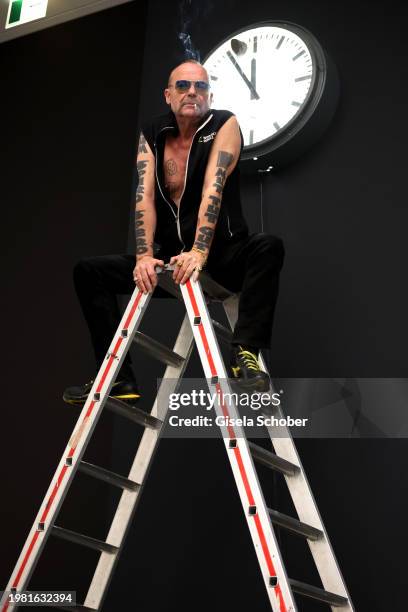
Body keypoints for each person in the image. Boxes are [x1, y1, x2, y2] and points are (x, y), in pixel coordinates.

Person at [63, 60, 284, 405]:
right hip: (171, 259)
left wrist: (199, 252)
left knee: (268, 246)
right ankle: (117, 378)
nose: (193, 92)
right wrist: (144, 256)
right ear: (168, 95)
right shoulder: (152, 132)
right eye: (183, 86)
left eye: (201, 87)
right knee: (88, 271)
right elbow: (144, 196)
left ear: (209, 94)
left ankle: (245, 353)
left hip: (222, 256)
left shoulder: (224, 123)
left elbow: (214, 187)